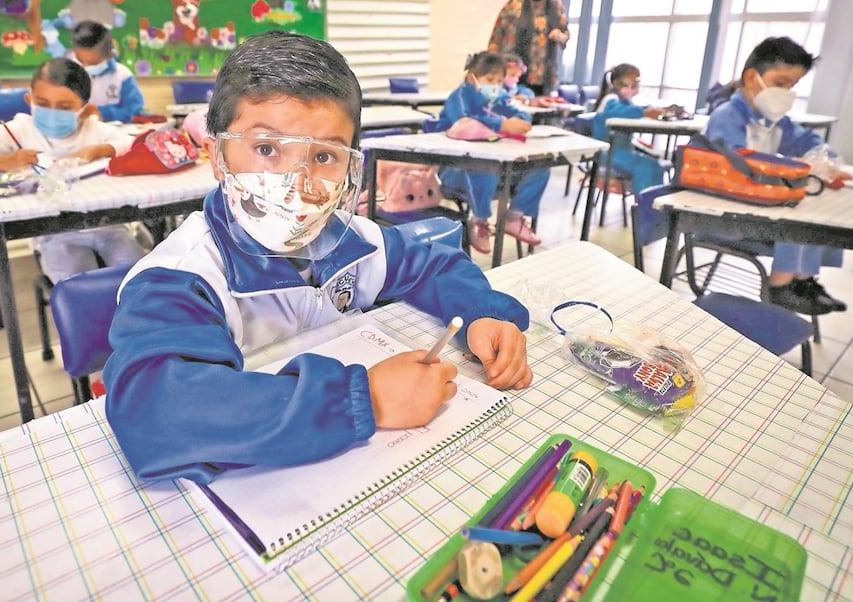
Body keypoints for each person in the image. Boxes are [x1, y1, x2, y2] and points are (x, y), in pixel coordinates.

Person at [102, 31, 534, 484]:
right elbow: (157, 410)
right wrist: (364, 399)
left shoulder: (354, 240)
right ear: (216, 155)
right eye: (266, 149)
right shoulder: (184, 276)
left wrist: (482, 314)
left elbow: (436, 265)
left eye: (325, 155)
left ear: (350, 164)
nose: (299, 181)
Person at [0, 57, 147, 283]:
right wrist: (3, 161)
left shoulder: (91, 128)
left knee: (137, 277)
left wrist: (97, 150)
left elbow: (133, 144)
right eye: (43, 104)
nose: (53, 113)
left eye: (65, 107)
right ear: (29, 100)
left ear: (84, 110)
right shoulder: (19, 130)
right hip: (53, 233)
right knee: (80, 286)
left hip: (108, 227)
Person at [703, 36, 847, 316]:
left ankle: (802, 281)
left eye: (792, 86)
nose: (786, 92)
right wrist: (787, 168)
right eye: (780, 83)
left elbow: (808, 142)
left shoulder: (773, 121)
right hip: (721, 213)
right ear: (751, 78)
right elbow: (736, 165)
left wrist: (827, 161)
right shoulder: (727, 116)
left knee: (817, 214)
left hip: (755, 204)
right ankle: (780, 287)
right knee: (798, 218)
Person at [430, 51, 547, 253]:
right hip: (456, 170)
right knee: (485, 167)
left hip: (497, 170)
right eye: (489, 79)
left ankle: (513, 217)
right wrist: (502, 124)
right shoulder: (459, 97)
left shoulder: (499, 97)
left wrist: (519, 122)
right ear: (472, 77)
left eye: (500, 80)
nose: (495, 85)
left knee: (540, 167)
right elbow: (464, 122)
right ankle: (479, 220)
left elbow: (519, 114)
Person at [590, 63, 673, 197]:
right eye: (633, 84)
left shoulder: (626, 101)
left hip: (623, 152)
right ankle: (642, 208)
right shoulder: (610, 99)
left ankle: (655, 208)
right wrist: (645, 113)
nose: (636, 88)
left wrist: (649, 110)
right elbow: (619, 112)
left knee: (655, 166)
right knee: (643, 167)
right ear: (617, 84)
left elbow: (630, 110)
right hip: (607, 152)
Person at [488, 0, 570, 96]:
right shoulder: (514, 5)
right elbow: (496, 37)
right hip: (512, 70)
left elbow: (566, 34)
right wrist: (491, 66)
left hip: (543, 75)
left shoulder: (557, 6)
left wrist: (560, 36)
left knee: (539, 110)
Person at [67, 20, 145, 123]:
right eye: (81, 61)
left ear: (109, 54)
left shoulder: (122, 75)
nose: (85, 67)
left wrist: (102, 113)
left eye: (93, 63)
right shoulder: (69, 73)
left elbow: (135, 110)